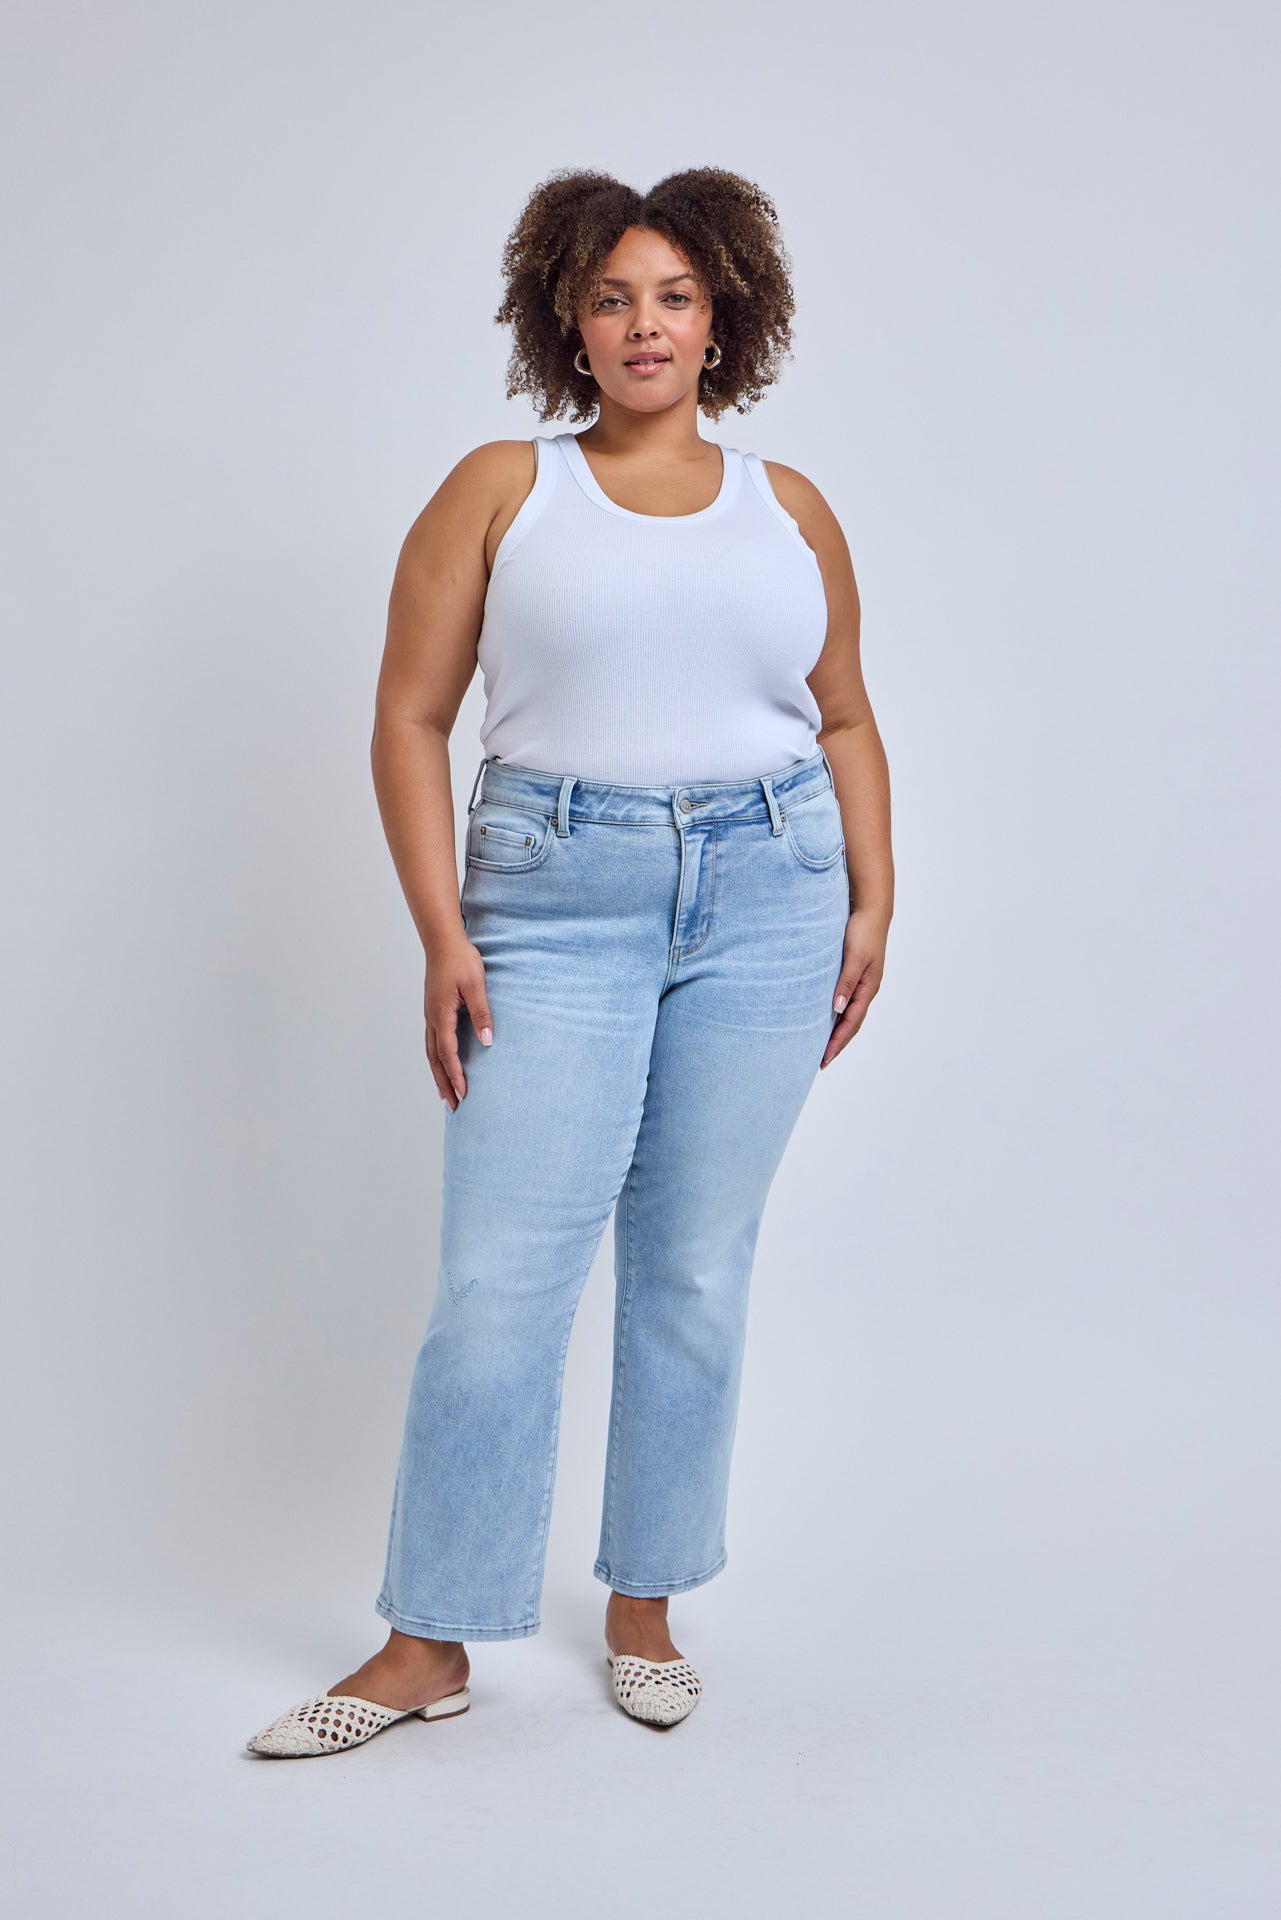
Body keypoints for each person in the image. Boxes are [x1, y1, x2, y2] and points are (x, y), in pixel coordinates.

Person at [246, 165, 894, 1756]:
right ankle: (423, 1645)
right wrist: (441, 932)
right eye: (612, 297)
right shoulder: (500, 487)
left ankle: (647, 1605)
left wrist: (871, 898)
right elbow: (408, 719)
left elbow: (846, 716)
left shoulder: (788, 505)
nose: (644, 324)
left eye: (674, 295)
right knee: (498, 1287)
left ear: (723, 313)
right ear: (568, 321)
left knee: (690, 1268)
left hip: (770, 893)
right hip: (550, 895)